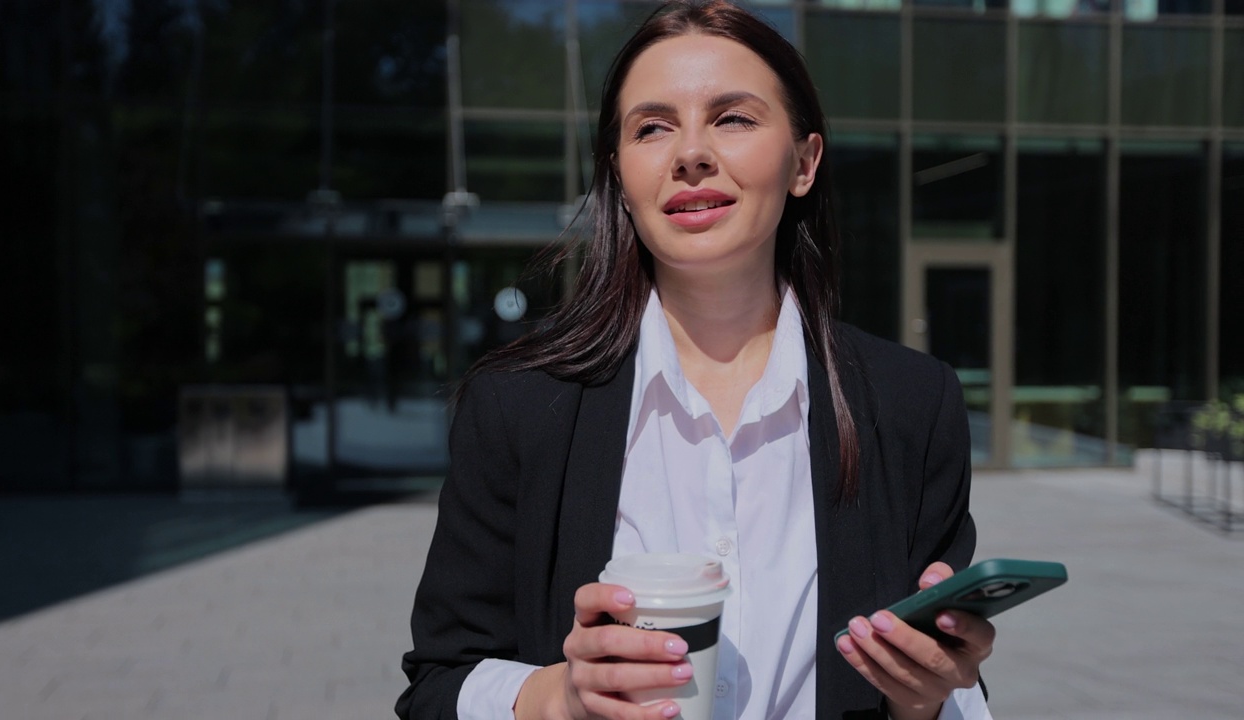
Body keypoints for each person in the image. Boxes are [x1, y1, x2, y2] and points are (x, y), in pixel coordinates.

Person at [398, 2, 995, 718]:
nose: (690, 153)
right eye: (652, 127)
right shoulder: (518, 406)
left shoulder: (911, 404)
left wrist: (928, 697)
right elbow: (436, 686)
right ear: (620, 175)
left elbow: (950, 687)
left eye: (733, 118)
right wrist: (558, 696)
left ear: (803, 163)